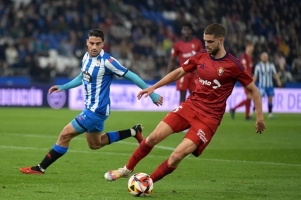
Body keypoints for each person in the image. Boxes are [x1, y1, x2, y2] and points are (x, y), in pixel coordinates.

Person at [104, 23, 266, 183]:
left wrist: (259, 118)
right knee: (153, 137)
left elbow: (253, 90)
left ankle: (147, 182)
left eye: (210, 42)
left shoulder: (233, 65)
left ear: (221, 40)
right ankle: (126, 169)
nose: (206, 45)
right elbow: (179, 72)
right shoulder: (201, 56)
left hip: (209, 119)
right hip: (190, 106)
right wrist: (153, 87)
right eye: (205, 41)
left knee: (176, 156)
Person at [20, 29, 163, 174]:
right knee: (95, 144)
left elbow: (132, 76)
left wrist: (151, 93)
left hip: (96, 110)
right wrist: (64, 87)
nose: (94, 47)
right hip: (93, 108)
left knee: (65, 134)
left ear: (103, 44)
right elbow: (83, 77)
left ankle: (40, 167)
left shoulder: (108, 62)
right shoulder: (86, 57)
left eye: (98, 44)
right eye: (92, 43)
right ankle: (134, 131)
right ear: (87, 43)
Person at [166, 22, 203, 104]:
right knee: (182, 99)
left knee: (195, 99)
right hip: (183, 74)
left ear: (191, 31)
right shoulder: (177, 45)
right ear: (182, 31)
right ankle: (181, 116)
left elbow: (202, 59)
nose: (186, 31)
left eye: (188, 29)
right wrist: (168, 77)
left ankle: (195, 116)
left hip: (195, 74)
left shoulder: (197, 43)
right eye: (184, 29)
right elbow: (172, 61)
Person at [230, 41, 254, 120]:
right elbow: (244, 69)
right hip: (245, 79)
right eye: (251, 46)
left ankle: (247, 116)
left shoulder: (250, 57)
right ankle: (233, 109)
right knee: (249, 96)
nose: (252, 48)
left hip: (249, 79)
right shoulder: (244, 57)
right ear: (247, 47)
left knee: (249, 98)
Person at [253, 52, 282, 119]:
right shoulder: (258, 66)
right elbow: (255, 76)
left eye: (265, 57)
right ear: (261, 57)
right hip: (261, 86)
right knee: (259, 99)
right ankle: (254, 110)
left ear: (267, 58)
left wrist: (278, 80)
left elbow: (275, 74)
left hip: (270, 85)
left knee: (270, 99)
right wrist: (252, 82)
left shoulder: (271, 65)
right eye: (263, 57)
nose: (264, 58)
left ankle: (270, 113)